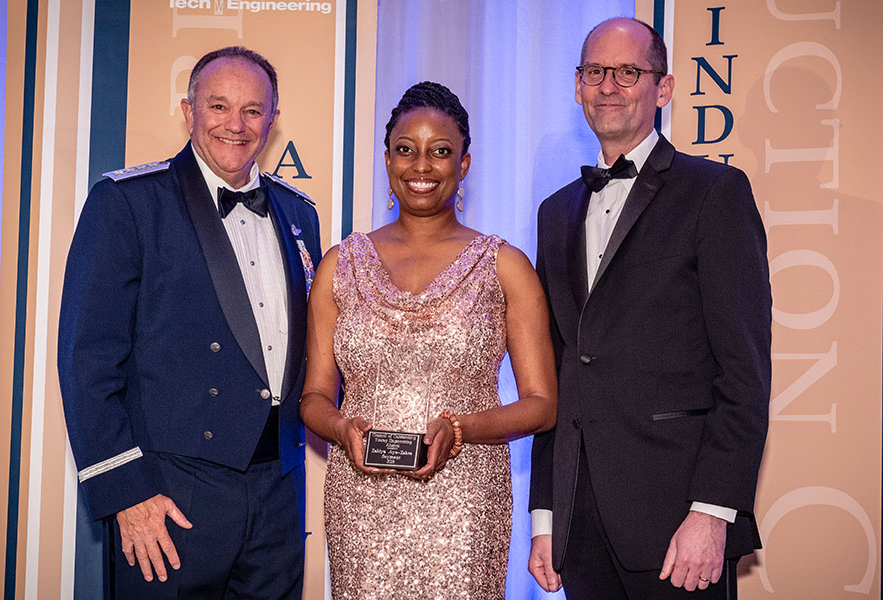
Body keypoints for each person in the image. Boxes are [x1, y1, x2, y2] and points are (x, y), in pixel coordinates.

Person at [57, 46, 321, 599]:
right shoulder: (127, 202)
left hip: (277, 490)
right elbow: (88, 359)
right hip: (170, 495)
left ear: (272, 120)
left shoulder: (300, 213)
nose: (235, 124)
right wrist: (126, 493)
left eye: (253, 110)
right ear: (189, 110)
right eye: (218, 105)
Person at [527, 17, 771, 599]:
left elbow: (744, 371)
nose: (608, 85)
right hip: (581, 526)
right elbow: (558, 372)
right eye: (594, 71)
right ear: (578, 86)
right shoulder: (554, 212)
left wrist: (712, 513)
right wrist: (546, 516)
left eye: (628, 71)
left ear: (662, 89)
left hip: (679, 524)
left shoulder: (716, 192)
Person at [299, 81, 557, 599]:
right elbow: (313, 398)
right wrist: (343, 428)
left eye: (441, 151)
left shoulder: (504, 266)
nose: (422, 166)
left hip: (465, 499)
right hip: (361, 497)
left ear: (463, 165)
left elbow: (541, 405)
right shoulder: (338, 265)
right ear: (388, 159)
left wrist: (459, 430)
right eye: (405, 149)